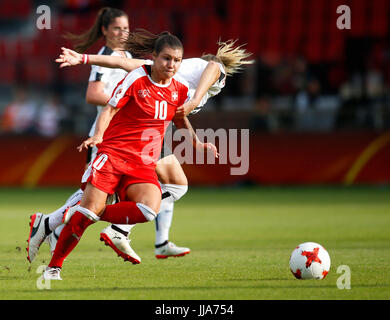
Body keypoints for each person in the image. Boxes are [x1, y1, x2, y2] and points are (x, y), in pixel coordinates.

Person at [39, 34, 254, 263]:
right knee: (162, 187)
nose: (172, 64)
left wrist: (83, 58)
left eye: (176, 60)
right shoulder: (201, 72)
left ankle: (126, 232)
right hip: (131, 134)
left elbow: (124, 63)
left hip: (148, 135)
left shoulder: (169, 73)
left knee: (169, 186)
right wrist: (82, 58)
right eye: (168, 59)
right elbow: (214, 65)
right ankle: (81, 225)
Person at [26, 9, 189, 263]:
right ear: (104, 30)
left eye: (126, 28)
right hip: (108, 138)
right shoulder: (106, 55)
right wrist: (129, 101)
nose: (122, 33)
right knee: (92, 200)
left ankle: (59, 226)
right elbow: (93, 94)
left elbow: (130, 70)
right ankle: (53, 226)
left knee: (161, 188)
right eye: (116, 29)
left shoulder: (132, 59)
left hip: (136, 142)